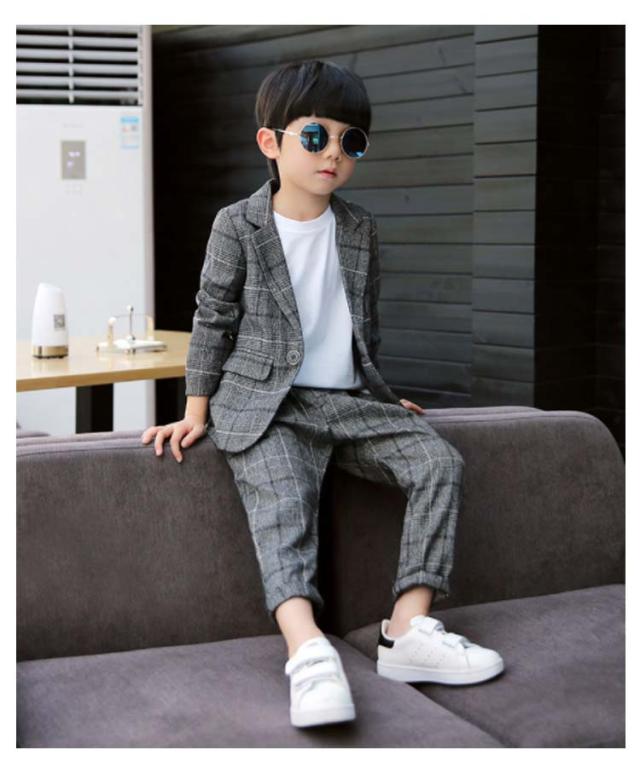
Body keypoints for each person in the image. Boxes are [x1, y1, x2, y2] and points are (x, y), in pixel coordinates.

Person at [141, 59, 504, 729]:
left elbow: (363, 326)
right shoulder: (237, 225)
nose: (333, 152)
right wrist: (195, 412)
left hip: (347, 401)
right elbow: (212, 319)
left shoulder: (360, 228)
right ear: (270, 142)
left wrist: (381, 397)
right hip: (267, 408)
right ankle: (307, 650)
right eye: (315, 136)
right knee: (284, 507)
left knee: (438, 462)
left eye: (350, 141)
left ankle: (408, 629)